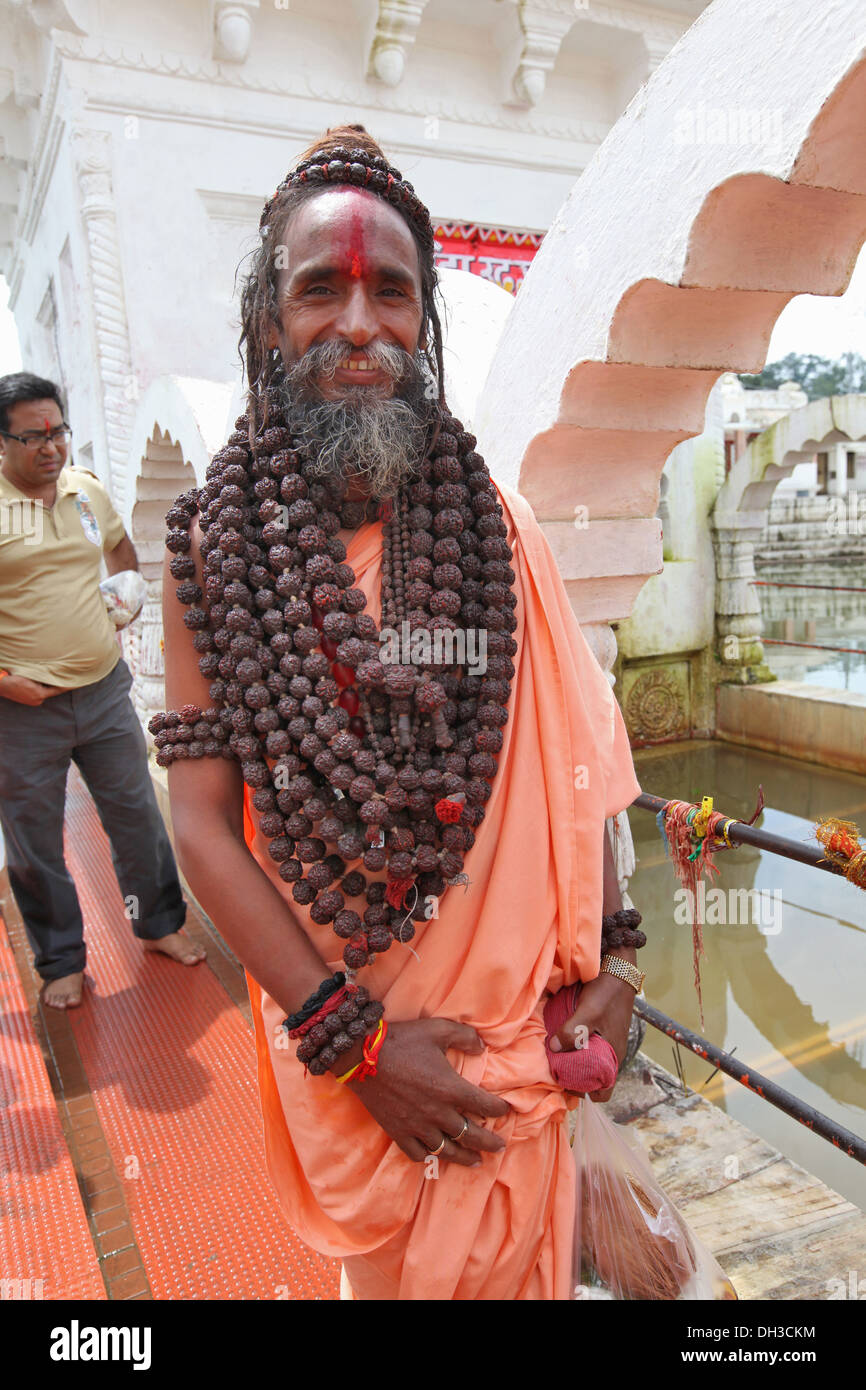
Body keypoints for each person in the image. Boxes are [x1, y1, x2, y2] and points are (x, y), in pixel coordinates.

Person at [160, 126, 646, 1300]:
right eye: (319, 288)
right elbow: (200, 830)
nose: (359, 324)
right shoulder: (212, 556)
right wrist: (359, 1046)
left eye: (392, 291)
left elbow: (577, 760)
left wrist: (618, 956)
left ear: (423, 320)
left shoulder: (500, 526)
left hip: (519, 1048)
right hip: (354, 1054)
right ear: (266, 321)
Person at [0, 372, 204, 1010]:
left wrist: (125, 602)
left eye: (58, 431)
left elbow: (118, 549)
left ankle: (160, 924)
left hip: (103, 692)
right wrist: (8, 683)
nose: (51, 446)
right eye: (33, 436)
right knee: (35, 843)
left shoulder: (84, 491)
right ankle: (61, 959)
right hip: (22, 709)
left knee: (138, 816)